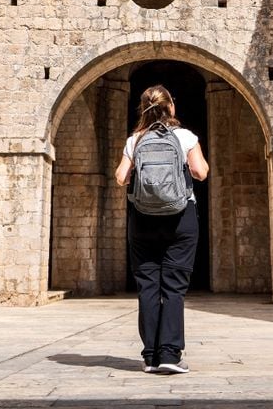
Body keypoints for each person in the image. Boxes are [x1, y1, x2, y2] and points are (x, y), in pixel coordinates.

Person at [115, 84, 209, 374]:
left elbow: (121, 177)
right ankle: (170, 354)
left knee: (148, 286)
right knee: (174, 287)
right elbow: (201, 172)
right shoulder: (185, 137)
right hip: (180, 218)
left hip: (142, 219)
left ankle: (150, 357)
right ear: (171, 107)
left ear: (143, 108)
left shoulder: (135, 140)